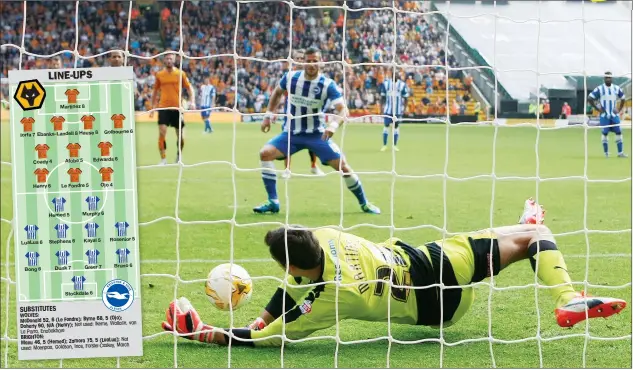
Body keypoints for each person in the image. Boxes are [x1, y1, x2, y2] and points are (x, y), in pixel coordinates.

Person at [160, 198, 627, 346]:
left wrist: (206, 331)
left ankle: (523, 235)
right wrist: (266, 313)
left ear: (292, 266)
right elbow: (293, 290)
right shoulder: (326, 233)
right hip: (437, 260)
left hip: (440, 310)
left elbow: (273, 334)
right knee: (536, 233)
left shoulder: (328, 297)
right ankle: (564, 296)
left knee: (525, 231)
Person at [252, 47, 380, 215]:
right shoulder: (291, 78)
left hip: (317, 135)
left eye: (315, 61)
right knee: (265, 153)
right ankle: (273, 202)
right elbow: (277, 93)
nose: (312, 64)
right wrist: (269, 114)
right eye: (309, 60)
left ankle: (364, 203)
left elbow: (343, 110)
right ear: (303, 61)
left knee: (343, 166)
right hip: (292, 133)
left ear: (321, 62)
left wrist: (333, 126)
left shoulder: (327, 84)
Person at [281, 49, 324, 179]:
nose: (299, 60)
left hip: (311, 114)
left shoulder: (314, 74)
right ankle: (287, 169)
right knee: (287, 141)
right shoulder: (290, 76)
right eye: (297, 58)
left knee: (313, 140)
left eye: (301, 58)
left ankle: (313, 166)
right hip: (292, 114)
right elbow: (282, 93)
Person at [149, 53, 196, 164]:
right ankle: (163, 159)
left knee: (180, 135)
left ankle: (179, 156)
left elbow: (190, 88)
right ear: (164, 60)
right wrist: (152, 107)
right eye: (167, 58)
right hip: (163, 107)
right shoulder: (159, 75)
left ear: (174, 60)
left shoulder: (180, 74)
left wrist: (192, 101)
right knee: (162, 132)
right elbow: (155, 91)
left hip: (177, 108)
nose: (169, 60)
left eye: (171, 58)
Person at [588, 71, 627, 158]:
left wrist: (619, 109)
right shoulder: (600, 88)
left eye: (609, 77)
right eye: (606, 77)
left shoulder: (616, 88)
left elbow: (623, 98)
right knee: (605, 133)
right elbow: (590, 98)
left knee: (619, 132)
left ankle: (620, 153)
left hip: (614, 115)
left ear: (612, 78)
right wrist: (598, 109)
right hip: (604, 115)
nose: (608, 79)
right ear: (604, 79)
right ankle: (606, 154)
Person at [379, 70, 409, 152]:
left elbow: (406, 97)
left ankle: (394, 145)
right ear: (391, 75)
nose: (395, 75)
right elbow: (382, 97)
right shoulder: (386, 84)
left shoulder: (402, 85)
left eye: (396, 74)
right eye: (393, 74)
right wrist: (381, 108)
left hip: (397, 110)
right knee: (386, 126)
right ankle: (384, 145)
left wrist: (405, 108)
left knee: (396, 127)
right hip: (388, 110)